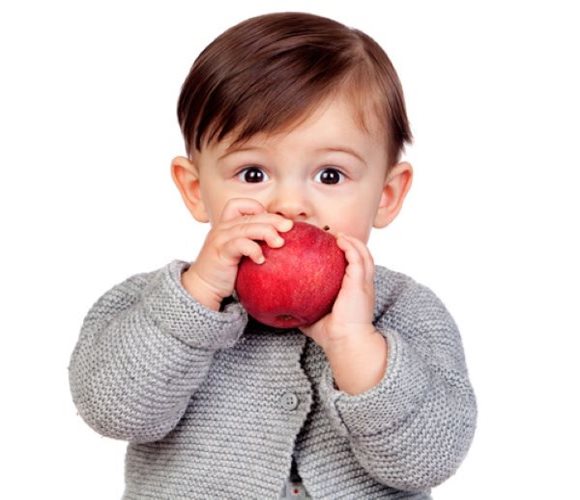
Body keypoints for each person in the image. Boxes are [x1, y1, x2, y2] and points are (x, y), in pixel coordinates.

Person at [68, 11, 477, 499]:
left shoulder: (406, 311)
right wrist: (198, 296)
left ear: (386, 195)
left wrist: (355, 346)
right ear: (196, 190)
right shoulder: (157, 305)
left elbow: (427, 461)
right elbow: (113, 412)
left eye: (330, 175)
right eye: (253, 174)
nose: (289, 205)